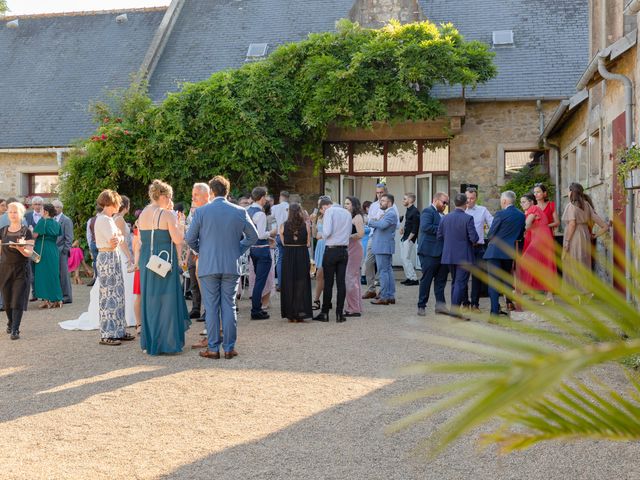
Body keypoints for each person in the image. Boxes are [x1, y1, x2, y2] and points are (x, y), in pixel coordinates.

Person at [186, 175, 258, 359]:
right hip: (230, 264)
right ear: (227, 191)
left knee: (211, 307)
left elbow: (189, 239)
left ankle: (212, 348)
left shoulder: (201, 212)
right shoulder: (239, 211)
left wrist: (202, 251)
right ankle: (229, 348)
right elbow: (253, 236)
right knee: (229, 306)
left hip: (208, 265)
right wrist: (237, 250)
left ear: (211, 192)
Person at [138, 180, 191, 355]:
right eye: (169, 196)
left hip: (148, 260)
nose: (170, 200)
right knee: (167, 299)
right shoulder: (167, 214)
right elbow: (178, 240)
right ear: (162, 196)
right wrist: (181, 224)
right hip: (164, 260)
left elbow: (140, 240)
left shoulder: (143, 213)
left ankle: (151, 341)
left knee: (150, 298)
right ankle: (167, 342)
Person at [93, 190, 135, 346]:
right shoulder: (104, 219)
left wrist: (119, 236)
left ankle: (118, 330)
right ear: (111, 203)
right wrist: (119, 236)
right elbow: (114, 241)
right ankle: (107, 333)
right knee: (108, 295)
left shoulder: (108, 219)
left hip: (112, 256)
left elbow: (119, 237)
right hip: (107, 257)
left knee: (117, 294)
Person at [561, 182, 610, 300]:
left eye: (569, 190)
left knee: (572, 263)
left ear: (572, 192)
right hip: (585, 235)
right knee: (583, 263)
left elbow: (572, 224)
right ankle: (586, 292)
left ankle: (577, 293)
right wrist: (594, 236)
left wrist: (567, 242)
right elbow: (605, 226)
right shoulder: (587, 205)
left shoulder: (571, 206)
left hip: (573, 237)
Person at [483, 191, 526, 317]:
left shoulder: (500, 214)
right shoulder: (521, 215)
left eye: (501, 200)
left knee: (493, 282)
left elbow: (490, 234)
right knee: (507, 279)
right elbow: (520, 235)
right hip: (509, 252)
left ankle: (494, 312)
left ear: (505, 201)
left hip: (494, 252)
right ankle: (508, 303)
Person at [437, 193, 479, 317]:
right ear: (466, 204)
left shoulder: (445, 218)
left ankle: (455, 311)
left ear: (454, 204)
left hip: (449, 255)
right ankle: (455, 313)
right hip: (464, 256)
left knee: (455, 283)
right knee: (460, 284)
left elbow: (439, 236)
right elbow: (474, 238)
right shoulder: (468, 218)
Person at [313, 197, 352, 322]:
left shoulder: (330, 211)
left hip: (331, 249)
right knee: (341, 282)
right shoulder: (347, 212)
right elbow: (349, 232)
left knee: (328, 282)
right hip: (344, 250)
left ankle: (325, 313)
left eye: (323, 209)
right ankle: (339, 314)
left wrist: (321, 235)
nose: (323, 212)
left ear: (326, 206)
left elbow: (327, 231)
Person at [0, 202, 34, 339]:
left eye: (15, 212)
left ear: (20, 214)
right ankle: (10, 321)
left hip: (22, 269)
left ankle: (15, 329)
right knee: (7, 302)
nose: (13, 214)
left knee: (17, 299)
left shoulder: (26, 231)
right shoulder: (2, 231)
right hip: (5, 269)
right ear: (7, 214)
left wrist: (20, 247)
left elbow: (29, 253)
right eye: (10, 212)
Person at [515, 193, 558, 302]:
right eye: (521, 202)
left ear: (531, 202)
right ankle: (549, 296)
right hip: (544, 238)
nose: (522, 204)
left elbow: (528, 224)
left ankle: (520, 289)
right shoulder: (536, 209)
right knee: (545, 265)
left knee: (524, 262)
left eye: (524, 201)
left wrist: (522, 228)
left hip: (540, 239)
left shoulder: (533, 208)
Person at [363, 183, 400, 299]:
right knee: (369, 264)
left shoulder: (392, 209)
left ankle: (386, 294)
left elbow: (388, 224)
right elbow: (375, 221)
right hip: (373, 237)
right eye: (377, 193)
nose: (379, 196)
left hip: (383, 241)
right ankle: (372, 290)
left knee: (384, 269)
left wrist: (371, 221)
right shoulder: (374, 205)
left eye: (381, 194)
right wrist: (374, 221)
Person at [416, 192, 450, 316]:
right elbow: (426, 227)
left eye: (446, 203)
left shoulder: (443, 215)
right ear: (435, 200)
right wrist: (445, 230)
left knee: (441, 281)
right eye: (443, 202)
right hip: (429, 252)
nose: (445, 205)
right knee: (427, 280)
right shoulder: (427, 211)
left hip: (442, 253)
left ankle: (440, 306)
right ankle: (421, 306)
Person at [280, 203, 312, 322]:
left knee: (288, 283)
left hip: (288, 255)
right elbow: (308, 244)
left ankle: (290, 314)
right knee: (301, 283)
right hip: (302, 255)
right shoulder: (306, 225)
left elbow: (283, 243)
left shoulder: (283, 225)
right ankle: (300, 312)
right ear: (300, 212)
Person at [463, 187, 493, 312]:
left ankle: (475, 304)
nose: (469, 200)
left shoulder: (482, 210)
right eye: (467, 198)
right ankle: (465, 303)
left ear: (476, 198)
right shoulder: (460, 211)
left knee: (477, 278)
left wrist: (491, 238)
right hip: (464, 248)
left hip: (478, 248)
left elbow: (493, 223)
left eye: (472, 198)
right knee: (462, 277)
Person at [247, 186, 274, 320]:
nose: (266, 200)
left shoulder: (247, 211)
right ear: (262, 198)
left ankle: (256, 307)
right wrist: (272, 233)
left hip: (252, 249)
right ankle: (256, 310)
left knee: (258, 280)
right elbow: (262, 234)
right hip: (262, 250)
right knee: (260, 281)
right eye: (266, 197)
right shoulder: (260, 214)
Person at [187, 183, 211, 321]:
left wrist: (199, 251)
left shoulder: (208, 210)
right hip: (194, 251)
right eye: (193, 195)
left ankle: (208, 311)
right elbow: (189, 232)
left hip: (204, 252)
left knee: (206, 283)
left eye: (196, 195)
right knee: (194, 282)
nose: (193, 197)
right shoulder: (193, 210)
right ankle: (196, 308)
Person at [32, 204, 63, 309]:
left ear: (45, 212)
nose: (40, 212)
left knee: (43, 275)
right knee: (53, 274)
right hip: (53, 249)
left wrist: (30, 230)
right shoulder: (56, 223)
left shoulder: (42, 221)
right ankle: (57, 299)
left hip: (43, 250)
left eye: (41, 210)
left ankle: (47, 300)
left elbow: (34, 235)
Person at [344, 196, 364, 317]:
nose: (345, 205)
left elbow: (361, 233)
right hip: (349, 248)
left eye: (348, 203)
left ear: (354, 205)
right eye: (345, 203)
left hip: (355, 248)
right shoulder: (349, 216)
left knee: (350, 278)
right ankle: (356, 306)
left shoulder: (357, 217)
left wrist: (348, 237)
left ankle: (354, 308)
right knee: (353, 278)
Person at [52, 199, 74, 304]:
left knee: (64, 274)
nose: (55, 209)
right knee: (55, 274)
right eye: (54, 207)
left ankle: (67, 296)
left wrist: (65, 250)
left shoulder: (66, 220)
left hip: (62, 251)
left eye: (56, 207)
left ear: (61, 208)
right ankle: (58, 294)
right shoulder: (52, 219)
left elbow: (69, 238)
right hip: (52, 251)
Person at [25, 196, 44, 300]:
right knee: (31, 271)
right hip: (30, 247)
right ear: (32, 205)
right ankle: (35, 293)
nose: (37, 206)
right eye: (35, 204)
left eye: (39, 204)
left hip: (42, 247)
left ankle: (42, 293)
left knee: (42, 270)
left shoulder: (45, 216)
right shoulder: (27, 216)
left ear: (42, 205)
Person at [400, 193, 420, 286]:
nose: (403, 200)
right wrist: (403, 229)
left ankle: (414, 279)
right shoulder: (408, 210)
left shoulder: (415, 211)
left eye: (404, 199)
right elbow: (408, 224)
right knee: (403, 259)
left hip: (409, 239)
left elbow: (415, 227)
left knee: (406, 258)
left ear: (410, 200)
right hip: (405, 237)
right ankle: (409, 277)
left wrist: (409, 239)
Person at [271, 191, 290, 291]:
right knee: (290, 259)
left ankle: (281, 284)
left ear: (280, 197)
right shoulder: (291, 207)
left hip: (279, 234)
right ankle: (290, 283)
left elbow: (271, 220)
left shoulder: (275, 208)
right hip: (290, 236)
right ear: (288, 198)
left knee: (280, 260)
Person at [311, 197, 327, 310]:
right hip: (319, 246)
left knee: (320, 275)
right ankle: (325, 300)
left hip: (326, 245)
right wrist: (312, 222)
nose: (319, 207)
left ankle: (316, 300)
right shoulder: (319, 217)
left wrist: (321, 235)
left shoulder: (330, 217)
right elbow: (314, 235)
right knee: (321, 275)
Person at [85, 207, 101, 287]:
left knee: (95, 262)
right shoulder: (107, 219)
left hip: (94, 243)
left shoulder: (91, 220)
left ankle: (96, 278)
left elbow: (89, 235)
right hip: (103, 244)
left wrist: (90, 246)